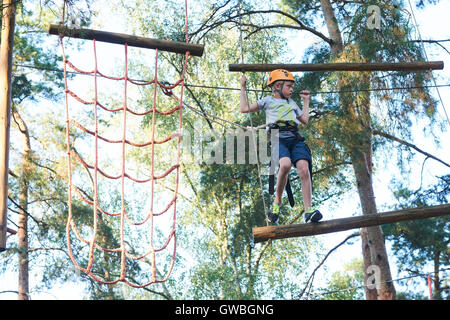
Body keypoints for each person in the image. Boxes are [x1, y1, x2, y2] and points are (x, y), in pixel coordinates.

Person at [239, 69, 322, 224]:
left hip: (295, 138)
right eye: (288, 86)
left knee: (304, 168)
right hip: (278, 138)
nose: (292, 89)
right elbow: (244, 108)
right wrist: (243, 87)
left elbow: (304, 119)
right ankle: (277, 202)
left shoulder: (292, 103)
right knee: (285, 164)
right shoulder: (267, 101)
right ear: (277, 86)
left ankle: (308, 210)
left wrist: (306, 101)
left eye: (292, 86)